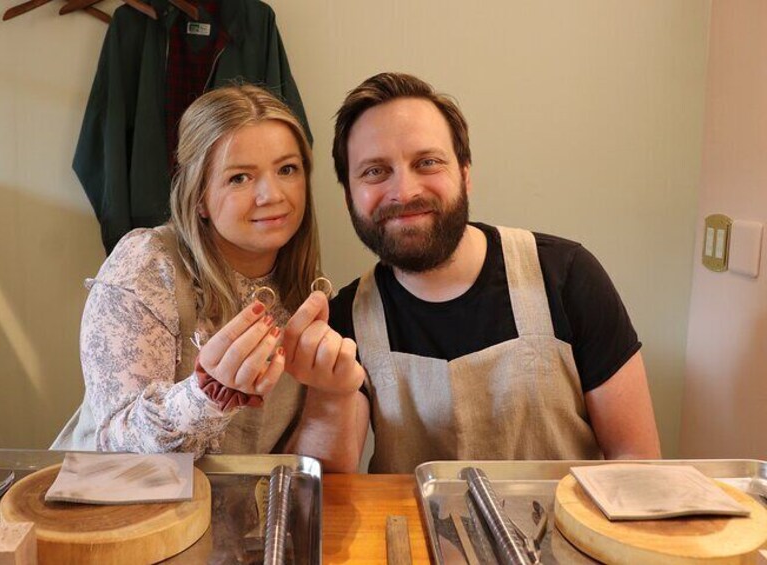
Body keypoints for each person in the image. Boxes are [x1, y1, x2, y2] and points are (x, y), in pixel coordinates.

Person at [327, 72, 662, 473]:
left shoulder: (567, 276)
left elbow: (637, 460)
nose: (406, 191)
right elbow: (334, 487)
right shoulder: (346, 318)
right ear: (349, 195)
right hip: (412, 536)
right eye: (375, 171)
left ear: (465, 174)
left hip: (562, 533)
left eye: (427, 162)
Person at [53, 85, 364, 471]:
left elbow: (300, 466)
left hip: (234, 514)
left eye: (287, 169)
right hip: (110, 512)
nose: (272, 194)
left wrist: (332, 395)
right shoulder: (148, 264)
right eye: (239, 178)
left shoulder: (306, 289)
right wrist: (207, 396)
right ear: (198, 196)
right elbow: (113, 443)